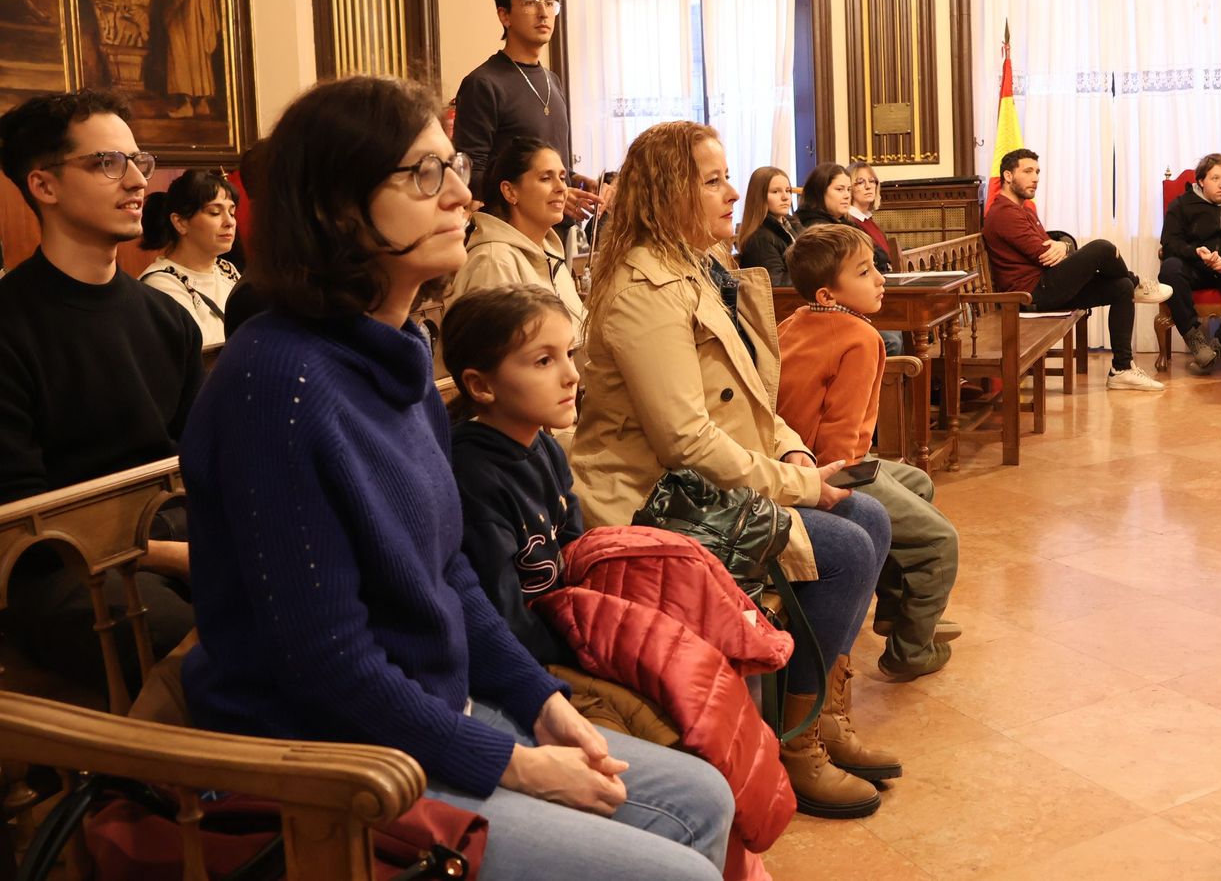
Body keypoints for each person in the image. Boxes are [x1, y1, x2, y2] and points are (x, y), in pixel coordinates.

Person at [179, 75, 734, 881]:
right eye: (422, 175)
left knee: (705, 799)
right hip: (329, 765)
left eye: (455, 171)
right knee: (674, 872)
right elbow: (324, 661)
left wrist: (540, 702)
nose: (457, 198)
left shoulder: (394, 356)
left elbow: (447, 579)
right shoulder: (279, 384)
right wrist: (511, 763)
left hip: (428, 714)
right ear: (336, 208)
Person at [570, 120, 895, 820]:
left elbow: (751, 394)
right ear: (666, 192)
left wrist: (793, 450)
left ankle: (825, 714)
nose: (729, 191)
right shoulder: (643, 289)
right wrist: (803, 485)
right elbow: (685, 440)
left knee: (870, 514)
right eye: (712, 179)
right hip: (650, 499)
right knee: (839, 545)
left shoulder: (698, 267)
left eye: (726, 175)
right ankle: (795, 742)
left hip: (707, 479)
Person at [0, 88, 197, 693]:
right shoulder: (11, 323)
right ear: (45, 186)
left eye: (139, 161)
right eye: (108, 163)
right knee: (198, 647)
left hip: (174, 537)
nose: (138, 181)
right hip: (64, 566)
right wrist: (172, 555)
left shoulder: (167, 320)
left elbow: (199, 465)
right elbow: (21, 522)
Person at [777, 223, 961, 683]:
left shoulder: (793, 322)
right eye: (864, 272)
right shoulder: (860, 337)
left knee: (919, 482)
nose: (880, 277)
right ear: (827, 294)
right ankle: (910, 649)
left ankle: (896, 612)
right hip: (833, 470)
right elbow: (840, 433)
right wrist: (838, 488)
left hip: (793, 460)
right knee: (940, 542)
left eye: (876, 266)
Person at [444, 285, 583, 670]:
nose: (571, 375)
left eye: (568, 354)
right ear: (482, 386)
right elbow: (504, 618)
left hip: (564, 634)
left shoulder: (548, 449)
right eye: (543, 361)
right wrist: (583, 655)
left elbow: (574, 554)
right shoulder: (472, 476)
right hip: (523, 664)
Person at [983, 148, 1169, 391]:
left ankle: (1121, 369)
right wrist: (1063, 248)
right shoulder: (1004, 214)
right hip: (1032, 294)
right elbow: (1044, 255)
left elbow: (1055, 242)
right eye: (1028, 171)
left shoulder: (1023, 210)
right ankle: (1137, 282)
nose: (1036, 177)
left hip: (1046, 285)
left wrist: (1065, 245)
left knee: (1120, 288)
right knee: (1102, 248)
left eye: (1037, 171)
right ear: (1008, 176)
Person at [453, 0, 598, 224]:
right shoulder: (484, 83)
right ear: (504, 15)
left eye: (550, 3)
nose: (544, 12)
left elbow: (544, 163)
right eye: (530, 2)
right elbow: (470, 173)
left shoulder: (552, 80)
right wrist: (544, 195)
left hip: (555, 231)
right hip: (511, 233)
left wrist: (574, 180)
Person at [449, 136, 586, 327]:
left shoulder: (551, 255)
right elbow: (493, 354)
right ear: (510, 192)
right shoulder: (493, 262)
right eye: (546, 178)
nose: (561, 188)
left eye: (562, 178)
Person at [1158, 153, 1221, 374]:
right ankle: (1196, 340)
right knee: (1170, 270)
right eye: (1215, 178)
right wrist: (1195, 253)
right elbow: (1170, 242)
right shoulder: (1182, 205)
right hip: (1195, 266)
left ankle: (1218, 345)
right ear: (1201, 181)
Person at [796, 163, 901, 353]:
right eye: (839, 189)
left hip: (856, 300)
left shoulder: (843, 223)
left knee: (906, 329)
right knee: (893, 338)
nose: (847, 195)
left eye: (848, 189)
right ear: (820, 192)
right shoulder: (818, 229)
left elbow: (878, 254)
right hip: (837, 309)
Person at [139, 168, 240, 346]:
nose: (230, 222)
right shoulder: (161, 284)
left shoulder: (226, 269)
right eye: (215, 212)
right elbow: (201, 353)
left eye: (231, 212)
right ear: (180, 222)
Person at [735, 165, 799, 287]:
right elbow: (777, 283)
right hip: (785, 302)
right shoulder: (759, 238)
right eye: (775, 191)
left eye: (788, 190)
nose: (785, 197)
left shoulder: (793, 225)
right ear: (759, 197)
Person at [844, 161, 892, 259]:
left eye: (871, 181)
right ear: (849, 188)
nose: (868, 186)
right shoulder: (849, 224)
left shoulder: (868, 220)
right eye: (860, 182)